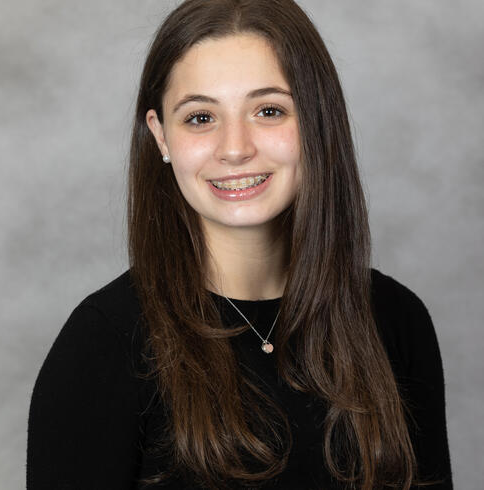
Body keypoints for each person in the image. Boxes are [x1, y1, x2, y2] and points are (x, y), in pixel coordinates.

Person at [26, 0, 453, 489]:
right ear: (161, 137)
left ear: (317, 120)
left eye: (269, 111)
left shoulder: (396, 320)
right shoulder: (102, 344)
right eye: (200, 118)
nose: (235, 148)